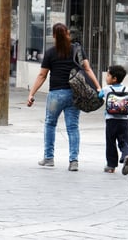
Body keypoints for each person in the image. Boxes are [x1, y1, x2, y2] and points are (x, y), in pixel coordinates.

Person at [27, 23, 101, 172]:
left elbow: (42, 75)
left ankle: (49, 158)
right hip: (74, 93)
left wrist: (32, 94)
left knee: (50, 124)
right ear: (68, 34)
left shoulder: (50, 53)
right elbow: (87, 68)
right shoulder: (77, 50)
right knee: (73, 127)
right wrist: (98, 87)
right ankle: (73, 161)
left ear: (53, 36)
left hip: (56, 94)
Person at [98, 65, 128, 175]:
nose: (106, 77)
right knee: (124, 141)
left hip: (111, 121)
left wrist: (98, 91)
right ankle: (126, 155)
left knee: (111, 143)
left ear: (114, 78)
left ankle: (111, 166)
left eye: (108, 75)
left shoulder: (106, 89)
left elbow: (99, 96)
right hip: (125, 121)